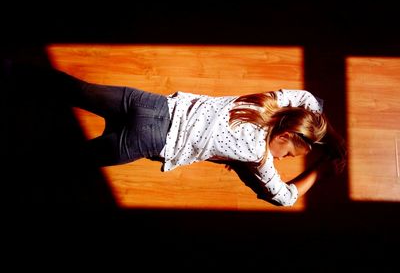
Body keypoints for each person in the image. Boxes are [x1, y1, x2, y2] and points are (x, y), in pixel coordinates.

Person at [57, 68, 346, 207]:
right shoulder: (257, 157)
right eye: (288, 154)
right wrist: (319, 171)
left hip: (150, 104)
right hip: (149, 140)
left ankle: (13, 71)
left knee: (79, 90)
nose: (281, 160)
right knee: (72, 160)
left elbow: (311, 102)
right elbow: (283, 197)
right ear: (284, 134)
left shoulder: (264, 103)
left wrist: (330, 138)